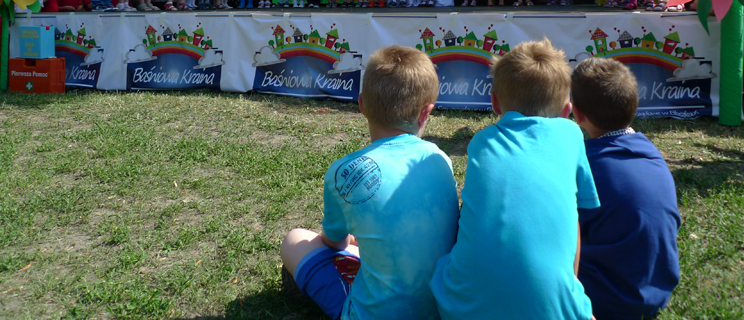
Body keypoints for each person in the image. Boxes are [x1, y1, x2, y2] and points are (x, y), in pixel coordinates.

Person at [281, 45, 459, 320]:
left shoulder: (342, 171)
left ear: (362, 105)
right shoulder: (440, 159)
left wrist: (350, 241)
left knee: (295, 239)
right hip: (441, 310)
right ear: (426, 112)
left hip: (373, 313)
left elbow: (334, 243)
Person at [430, 39, 599, 320]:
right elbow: (575, 219)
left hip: (463, 307)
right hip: (550, 310)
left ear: (495, 102)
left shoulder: (481, 142)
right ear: (567, 111)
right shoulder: (572, 135)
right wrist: (570, 286)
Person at [571, 57, 681, 320]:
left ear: (578, 114)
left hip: (604, 300)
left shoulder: (584, 165)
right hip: (656, 292)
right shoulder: (650, 153)